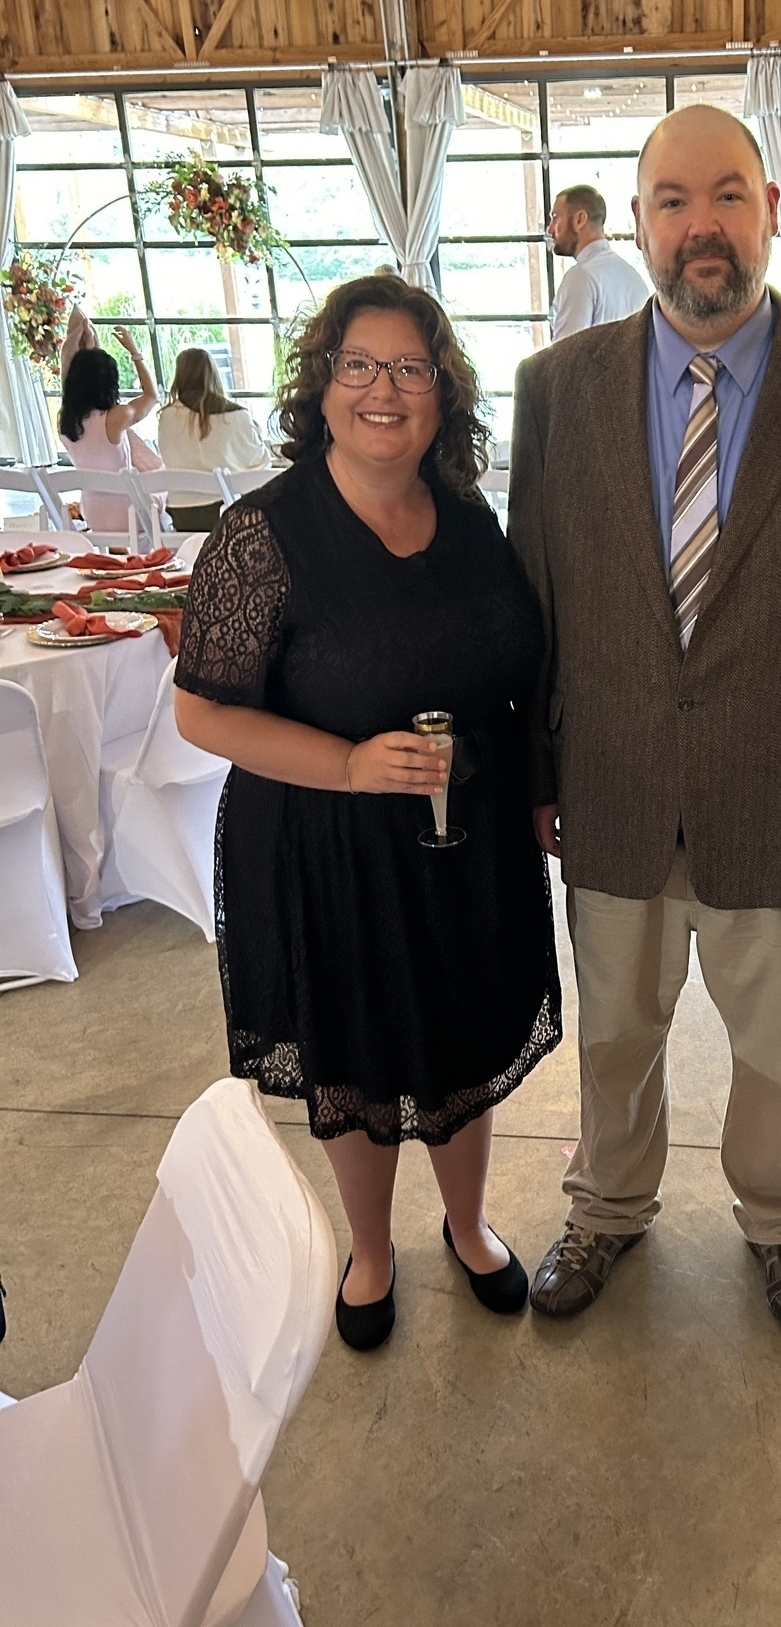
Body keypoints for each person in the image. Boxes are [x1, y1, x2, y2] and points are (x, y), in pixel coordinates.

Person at [510, 105, 781, 1329]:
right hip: (613, 788)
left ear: (772, 212)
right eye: (674, 199)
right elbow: (536, 594)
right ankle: (607, 1208)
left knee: (777, 1045)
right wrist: (537, 769)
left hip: (779, 795)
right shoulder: (558, 388)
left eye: (729, 195)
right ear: (637, 221)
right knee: (617, 1034)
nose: (702, 225)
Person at [174, 273, 562, 1352]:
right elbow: (200, 711)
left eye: (410, 368)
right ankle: (373, 1250)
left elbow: (520, 677)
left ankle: (471, 1226)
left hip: (469, 842)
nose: (383, 390)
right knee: (357, 1055)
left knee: (469, 1040)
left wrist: (533, 785)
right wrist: (348, 765)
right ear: (322, 383)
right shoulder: (266, 533)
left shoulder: (472, 519)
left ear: (443, 395)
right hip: (327, 848)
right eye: (359, 365)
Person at [57, 311, 162, 537]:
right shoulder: (117, 417)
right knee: (163, 487)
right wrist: (135, 352)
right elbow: (152, 396)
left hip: (93, 515)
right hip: (129, 515)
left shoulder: (65, 422)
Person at [157, 347, 268, 533]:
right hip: (224, 511)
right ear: (213, 374)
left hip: (181, 514)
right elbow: (260, 463)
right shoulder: (235, 415)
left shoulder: (166, 416)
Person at [547, 184, 650, 341]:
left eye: (555, 218)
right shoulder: (635, 280)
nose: (550, 229)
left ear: (579, 219)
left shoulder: (580, 277)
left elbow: (565, 360)